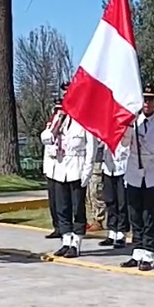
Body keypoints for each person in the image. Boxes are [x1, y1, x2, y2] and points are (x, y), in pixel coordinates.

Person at [119, 84, 154, 272]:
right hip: (134, 172)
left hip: (153, 173)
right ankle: (137, 251)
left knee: (149, 216)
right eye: (144, 99)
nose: (147, 103)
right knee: (135, 215)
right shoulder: (132, 122)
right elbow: (124, 144)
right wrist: (127, 128)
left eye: (151, 100)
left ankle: (149, 253)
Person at [40, 89, 96, 258]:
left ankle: (76, 242)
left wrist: (88, 170)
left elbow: (91, 148)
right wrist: (55, 126)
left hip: (77, 169)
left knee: (77, 207)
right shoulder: (59, 120)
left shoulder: (85, 121)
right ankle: (66, 240)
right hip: (60, 168)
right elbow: (45, 137)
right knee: (62, 207)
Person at [98, 140, 130, 249]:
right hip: (108, 167)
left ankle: (121, 233)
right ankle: (112, 231)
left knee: (122, 202)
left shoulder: (127, 131)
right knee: (110, 200)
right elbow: (99, 144)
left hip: (123, 168)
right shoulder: (106, 131)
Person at [43, 98, 62, 239]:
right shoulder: (50, 126)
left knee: (63, 201)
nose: (58, 112)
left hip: (62, 167)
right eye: (56, 109)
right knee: (53, 200)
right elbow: (46, 138)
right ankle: (57, 226)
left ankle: (66, 227)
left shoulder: (67, 125)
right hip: (51, 167)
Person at [87, 142, 106, 232]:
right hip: (87, 162)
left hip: (99, 161)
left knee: (96, 192)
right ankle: (93, 218)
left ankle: (98, 220)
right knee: (89, 194)